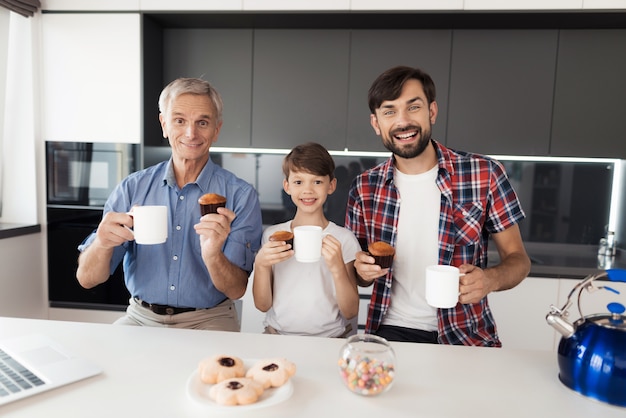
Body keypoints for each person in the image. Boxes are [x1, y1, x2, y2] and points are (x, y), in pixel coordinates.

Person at [346, 66, 531, 346]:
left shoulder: (484, 173)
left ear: (432, 111)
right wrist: (361, 271)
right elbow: (359, 276)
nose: (403, 121)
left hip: (466, 336)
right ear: (376, 124)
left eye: (413, 107)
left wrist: (490, 280)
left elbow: (519, 260)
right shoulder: (364, 187)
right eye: (389, 112)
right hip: (389, 334)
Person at [76, 77, 263, 331]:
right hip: (140, 318)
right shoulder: (132, 188)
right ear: (164, 124)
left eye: (203, 122)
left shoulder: (241, 196)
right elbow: (86, 279)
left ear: (216, 130)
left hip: (209, 319)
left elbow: (237, 289)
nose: (191, 133)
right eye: (179, 120)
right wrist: (102, 243)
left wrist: (213, 254)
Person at [252, 142, 360, 337]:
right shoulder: (272, 237)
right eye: (299, 182)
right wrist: (261, 264)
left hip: (331, 340)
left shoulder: (344, 239)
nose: (308, 190)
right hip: (277, 336)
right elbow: (262, 305)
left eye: (317, 182)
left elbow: (351, 311)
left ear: (331, 185)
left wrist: (337, 268)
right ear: (287, 186)